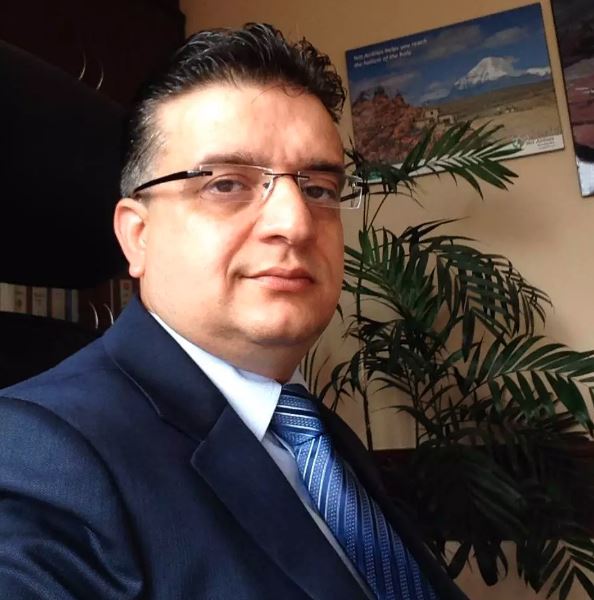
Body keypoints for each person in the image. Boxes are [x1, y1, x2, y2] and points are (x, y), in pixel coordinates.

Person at [0, 23, 467, 600]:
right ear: (138, 236)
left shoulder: (313, 432)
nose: (295, 223)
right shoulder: (37, 454)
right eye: (226, 184)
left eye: (319, 189)